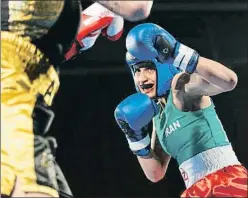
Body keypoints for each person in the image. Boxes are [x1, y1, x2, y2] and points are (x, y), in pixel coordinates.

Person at [1, 1, 153, 197]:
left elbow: (22, 33)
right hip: (12, 95)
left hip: (23, 97)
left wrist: (76, 35)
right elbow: (136, 6)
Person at [114, 23, 248, 197]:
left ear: (162, 65)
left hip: (225, 181)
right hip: (196, 189)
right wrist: (135, 138)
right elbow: (155, 173)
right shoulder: (157, 115)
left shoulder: (181, 88)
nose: (141, 78)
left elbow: (229, 81)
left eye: (148, 68)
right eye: (137, 71)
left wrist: (179, 53)